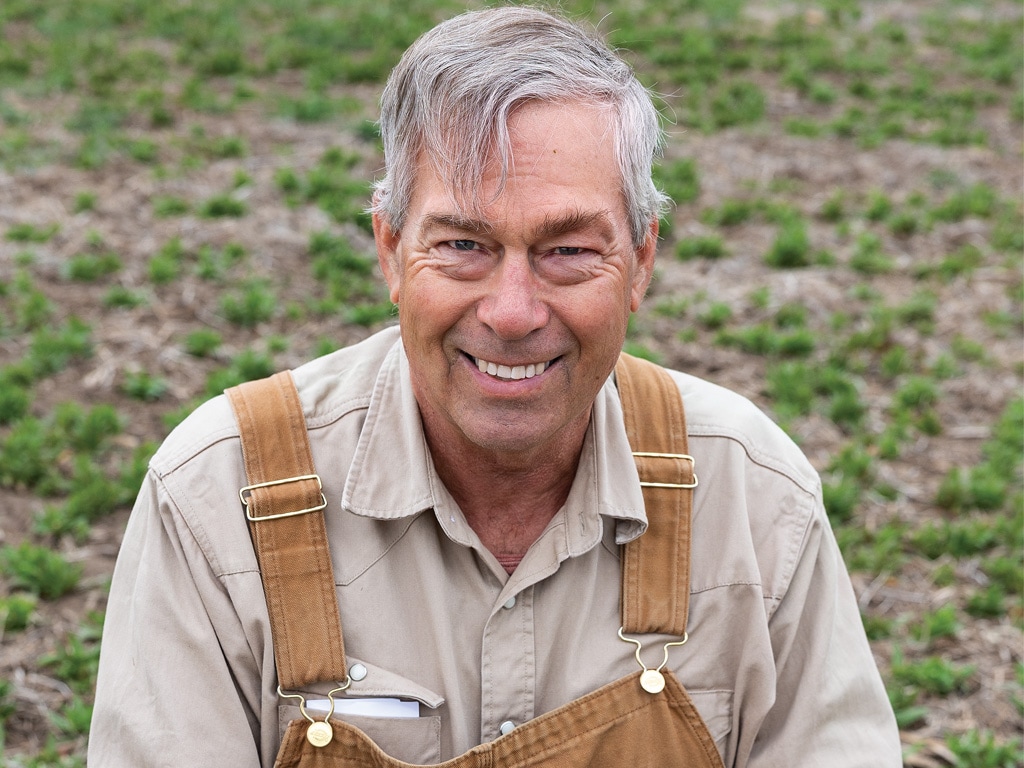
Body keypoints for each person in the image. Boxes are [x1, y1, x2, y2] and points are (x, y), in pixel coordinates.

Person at [89, 6, 902, 766]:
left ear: (642, 262)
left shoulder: (752, 494)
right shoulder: (218, 497)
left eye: (569, 251)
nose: (512, 313)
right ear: (389, 249)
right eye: (464, 244)